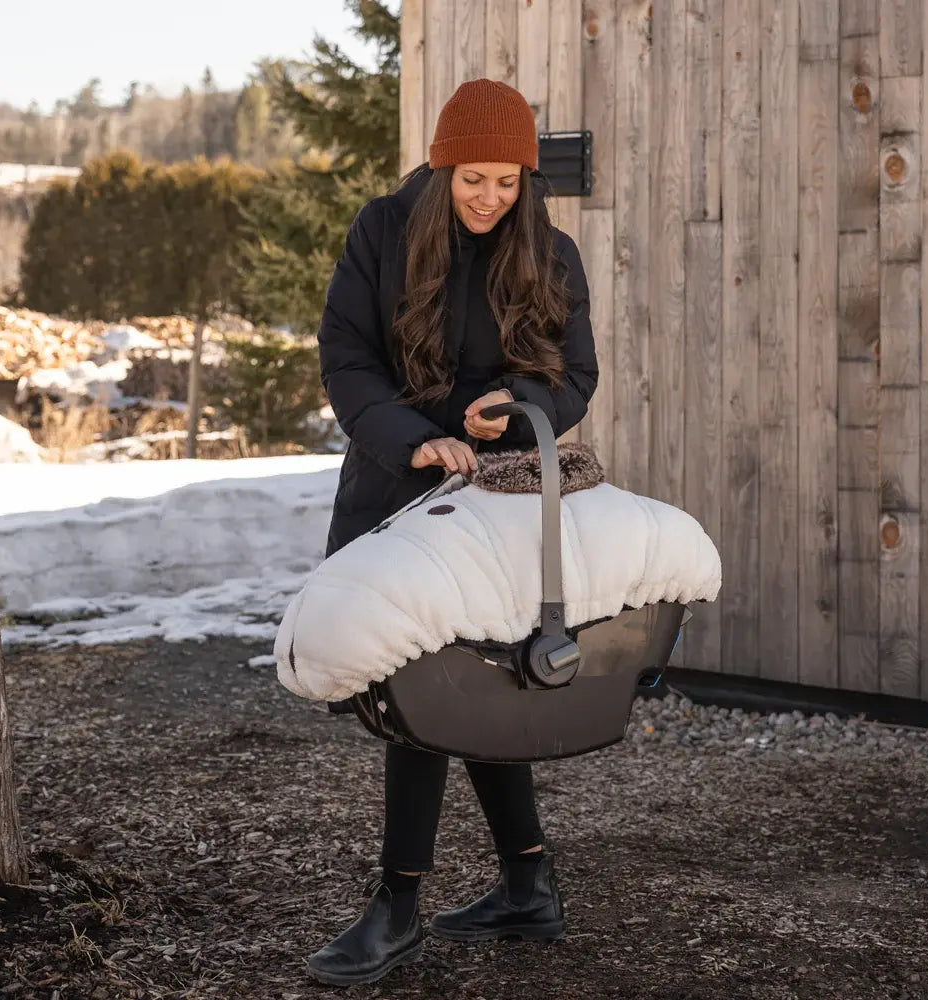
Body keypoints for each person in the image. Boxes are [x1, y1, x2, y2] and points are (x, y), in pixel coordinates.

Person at [306, 78, 598, 987]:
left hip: (502, 496)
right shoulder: (381, 231)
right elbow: (345, 356)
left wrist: (518, 408)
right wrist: (418, 436)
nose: (490, 198)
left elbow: (575, 372)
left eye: (507, 181)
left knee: (471, 686)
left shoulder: (548, 251)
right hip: (394, 485)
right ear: (442, 169)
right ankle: (520, 885)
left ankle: (416, 904)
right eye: (474, 178)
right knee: (416, 690)